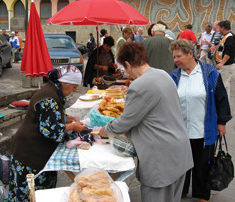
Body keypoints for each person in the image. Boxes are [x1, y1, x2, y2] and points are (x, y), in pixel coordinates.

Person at [99, 42, 193, 202]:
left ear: (128, 64)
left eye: (125, 68)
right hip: (180, 152)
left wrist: (105, 129)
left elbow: (125, 122)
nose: (126, 73)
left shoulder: (139, 86)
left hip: (161, 159)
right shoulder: (163, 74)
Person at [9, 65, 86, 201]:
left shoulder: (52, 91)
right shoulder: (49, 98)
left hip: (33, 151)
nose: (74, 90)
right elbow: (50, 131)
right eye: (74, 86)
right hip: (29, 154)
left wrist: (68, 118)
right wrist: (73, 126)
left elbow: (51, 116)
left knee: (42, 194)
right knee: (31, 195)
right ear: (65, 82)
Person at [170, 39, 232, 202]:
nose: (175, 60)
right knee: (181, 165)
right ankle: (180, 191)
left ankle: (202, 195)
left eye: (178, 56)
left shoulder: (210, 74)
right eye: (174, 57)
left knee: (203, 164)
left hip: (204, 129)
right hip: (181, 131)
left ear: (190, 54)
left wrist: (222, 123)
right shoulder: (175, 76)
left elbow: (221, 98)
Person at [214, 20, 235, 99]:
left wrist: (222, 63)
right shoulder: (226, 37)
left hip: (226, 66)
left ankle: (226, 105)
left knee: (225, 85)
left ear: (223, 28)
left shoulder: (230, 37)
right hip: (224, 66)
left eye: (219, 28)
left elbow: (228, 52)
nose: (218, 30)